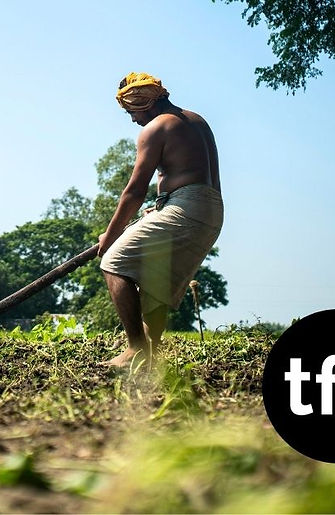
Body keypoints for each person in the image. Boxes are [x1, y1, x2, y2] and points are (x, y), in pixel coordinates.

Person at [97, 73, 224, 368]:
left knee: (114, 262)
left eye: (132, 112)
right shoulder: (197, 120)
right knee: (157, 280)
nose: (132, 120)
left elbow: (134, 192)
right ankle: (150, 354)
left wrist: (110, 235)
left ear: (143, 102)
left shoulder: (156, 128)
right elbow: (199, 178)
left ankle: (135, 350)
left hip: (187, 209)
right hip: (210, 209)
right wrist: (166, 205)